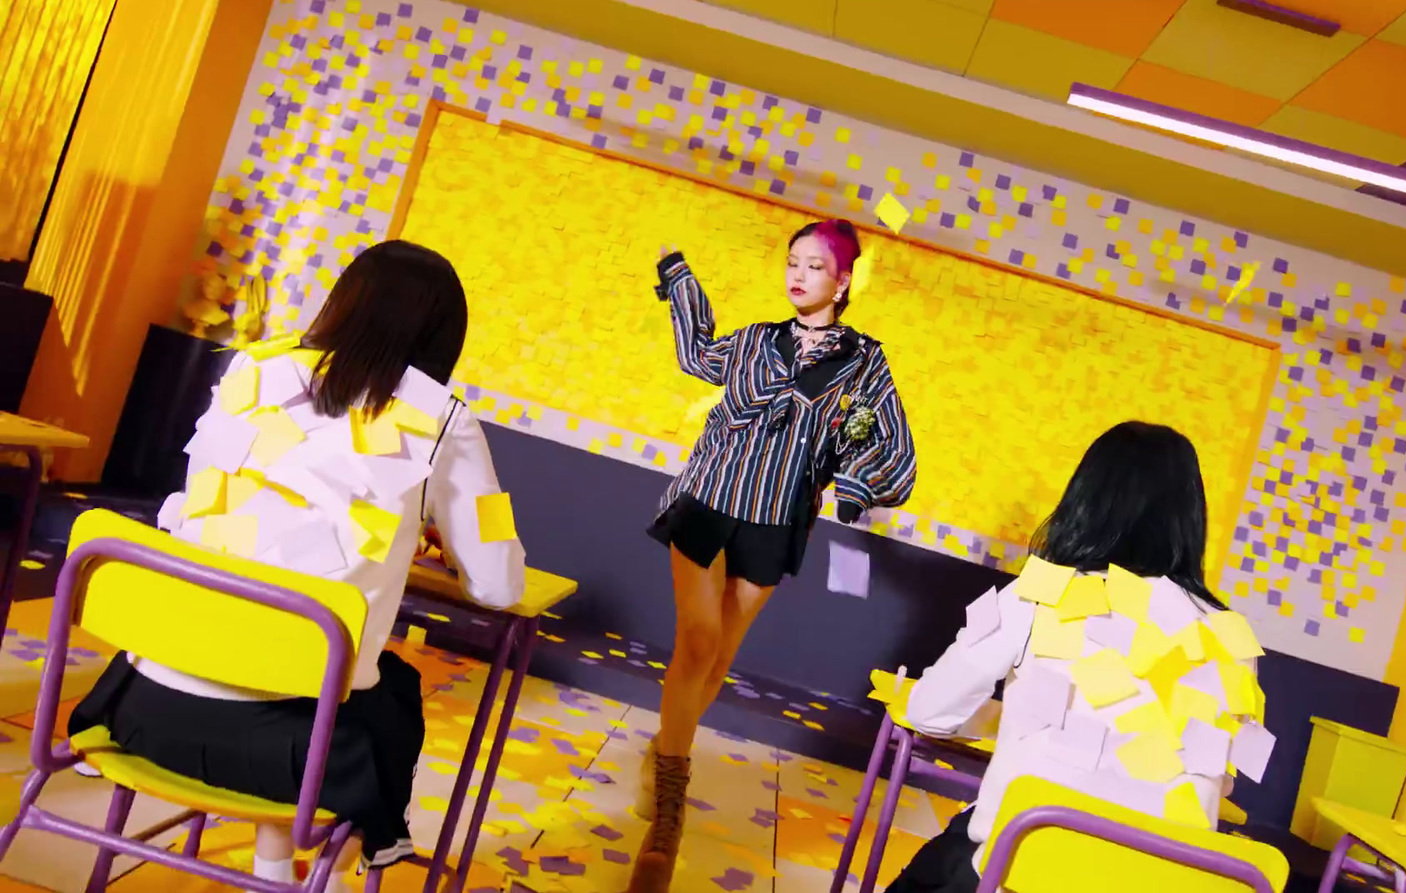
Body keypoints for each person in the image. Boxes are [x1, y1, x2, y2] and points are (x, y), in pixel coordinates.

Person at [67, 241, 527, 887]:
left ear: (341, 301)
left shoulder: (247, 371)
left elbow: (201, 506)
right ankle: (325, 869)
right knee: (385, 691)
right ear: (442, 336)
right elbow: (501, 584)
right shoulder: (443, 419)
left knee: (280, 649)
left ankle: (276, 863)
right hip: (291, 756)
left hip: (139, 710)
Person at [632, 220, 917, 892]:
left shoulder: (865, 363)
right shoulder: (757, 341)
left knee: (722, 652)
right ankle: (670, 801)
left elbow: (888, 444)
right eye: (793, 262)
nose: (798, 274)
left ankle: (663, 746)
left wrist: (852, 481)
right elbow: (700, 355)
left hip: (779, 516)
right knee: (697, 642)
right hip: (707, 498)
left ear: (843, 280)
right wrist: (679, 277)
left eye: (815, 265)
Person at [883, 422, 1272, 893]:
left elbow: (928, 713)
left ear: (1085, 502)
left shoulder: (1042, 594)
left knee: (948, 855)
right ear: (1191, 520)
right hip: (1156, 883)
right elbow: (1216, 775)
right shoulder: (1232, 640)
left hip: (1020, 873)